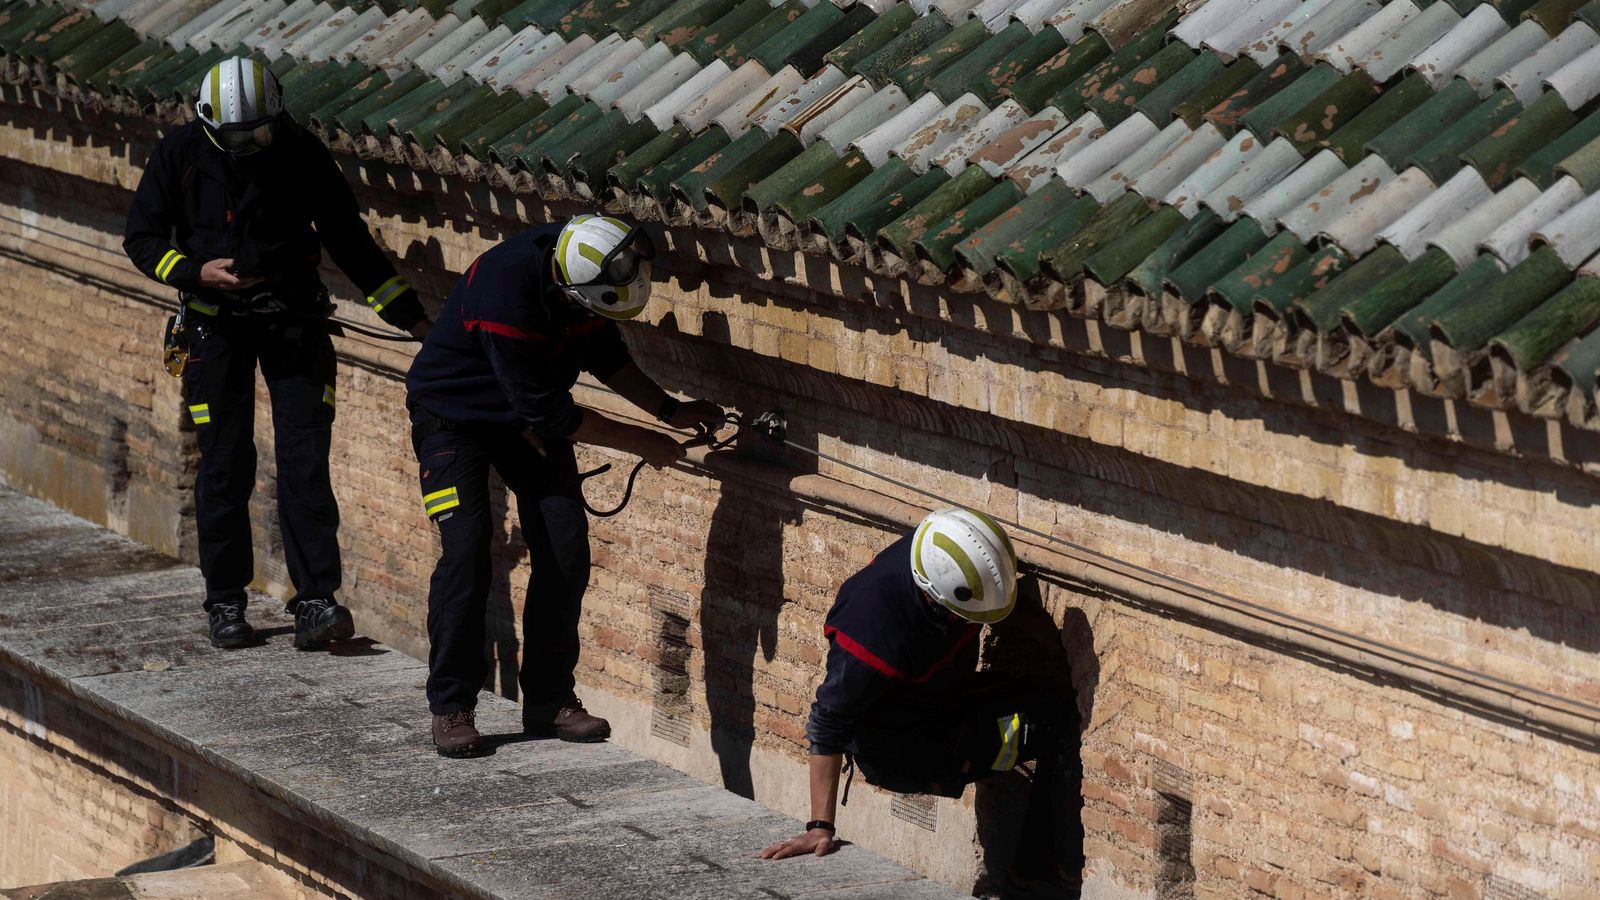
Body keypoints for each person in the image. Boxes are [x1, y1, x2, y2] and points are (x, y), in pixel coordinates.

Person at [124, 57, 432, 651]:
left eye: (259, 133)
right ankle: (226, 601)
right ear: (209, 123)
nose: (249, 147)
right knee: (224, 462)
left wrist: (412, 318)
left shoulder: (300, 151)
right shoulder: (181, 153)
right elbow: (140, 237)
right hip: (215, 332)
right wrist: (194, 272)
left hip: (295, 324)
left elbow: (349, 239)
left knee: (304, 462)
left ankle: (316, 602)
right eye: (237, 137)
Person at [405, 214, 723, 758]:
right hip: (453, 420)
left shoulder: (591, 258)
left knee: (566, 548)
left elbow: (607, 356)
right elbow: (554, 417)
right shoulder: (507, 298)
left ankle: (551, 699)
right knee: (466, 552)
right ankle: (452, 705)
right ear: (570, 288)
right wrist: (646, 440)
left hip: (524, 421)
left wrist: (670, 409)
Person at [760, 508, 1083, 888]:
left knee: (1049, 700)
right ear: (934, 599)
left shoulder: (944, 547)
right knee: (1053, 728)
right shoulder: (873, 633)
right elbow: (828, 723)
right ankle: (1031, 879)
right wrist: (820, 827)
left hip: (943, 699)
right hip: (909, 748)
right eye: (968, 618)